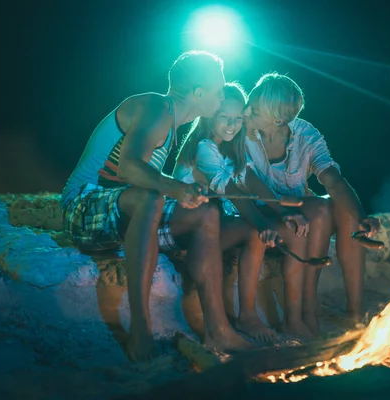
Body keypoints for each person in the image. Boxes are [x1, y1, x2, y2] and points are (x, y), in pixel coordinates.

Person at [60, 50, 250, 362]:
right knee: (152, 197)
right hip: (81, 207)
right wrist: (177, 188)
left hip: (121, 212)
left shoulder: (172, 123)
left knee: (206, 214)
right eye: (219, 89)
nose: (223, 94)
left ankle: (219, 330)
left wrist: (187, 192)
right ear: (199, 93)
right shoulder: (156, 107)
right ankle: (140, 329)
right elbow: (128, 169)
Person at [243, 73, 381, 336]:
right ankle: (306, 312)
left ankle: (355, 312)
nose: (247, 111)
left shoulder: (305, 134)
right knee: (318, 208)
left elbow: (332, 179)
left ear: (279, 120)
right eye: (250, 103)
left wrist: (362, 215)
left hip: (299, 209)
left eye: (255, 109)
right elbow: (247, 182)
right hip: (263, 210)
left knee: (342, 209)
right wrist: (284, 210)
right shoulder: (243, 134)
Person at [174, 82, 312, 341]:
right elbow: (229, 189)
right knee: (253, 230)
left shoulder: (228, 146)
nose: (232, 124)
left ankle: (279, 318)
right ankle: (247, 317)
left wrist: (282, 209)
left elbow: (250, 181)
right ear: (209, 116)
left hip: (213, 225)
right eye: (224, 117)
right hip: (189, 230)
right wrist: (262, 224)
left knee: (268, 227)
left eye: (238, 118)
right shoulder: (204, 146)